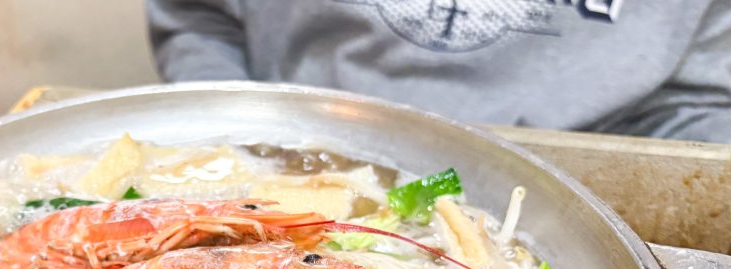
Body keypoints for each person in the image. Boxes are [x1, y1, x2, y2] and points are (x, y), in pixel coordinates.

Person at [146, 0, 731, 143]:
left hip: (589, 171)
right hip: (293, 143)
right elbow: (202, 21)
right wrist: (242, 142)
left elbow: (699, 107)